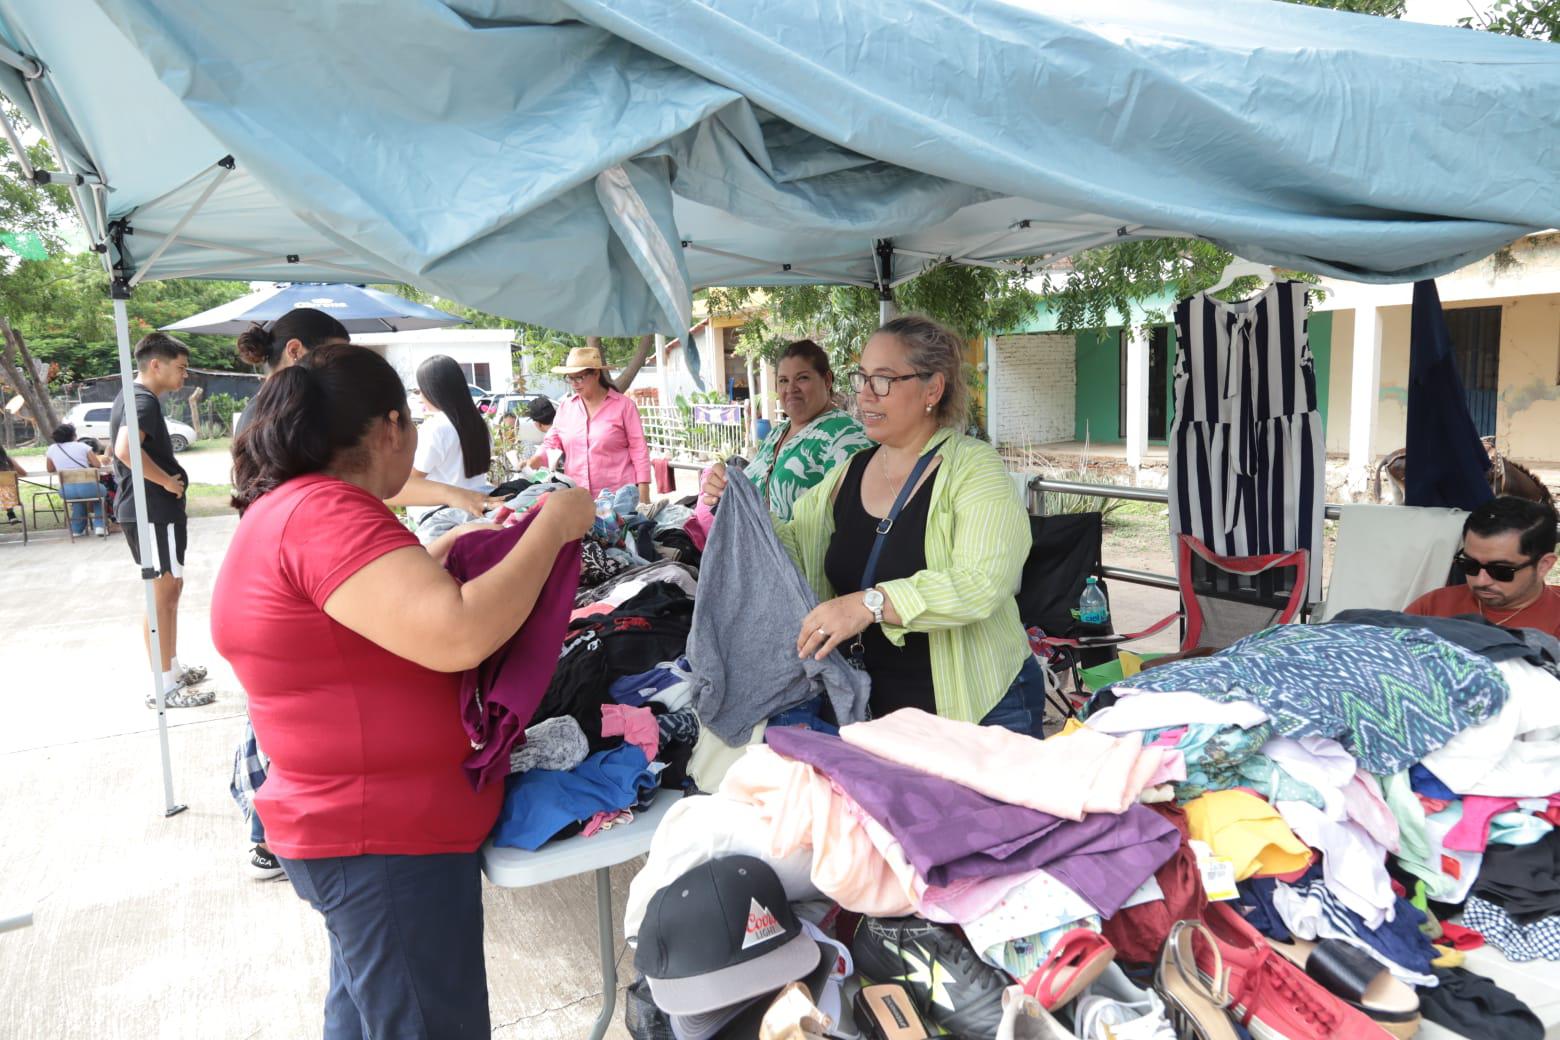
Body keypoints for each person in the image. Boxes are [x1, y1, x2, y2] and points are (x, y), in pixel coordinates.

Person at [212, 343, 593, 1038]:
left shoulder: (291, 507)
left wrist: (434, 558)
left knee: (363, 1018)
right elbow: (459, 633)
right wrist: (552, 527)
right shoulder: (327, 513)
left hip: (362, 836)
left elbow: (360, 622)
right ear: (389, 429)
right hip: (383, 844)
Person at [701, 315, 1043, 733]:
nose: (864, 395)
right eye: (861, 377)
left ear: (932, 388)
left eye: (883, 380)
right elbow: (790, 549)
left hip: (980, 708)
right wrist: (739, 506)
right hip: (877, 712)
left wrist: (870, 603)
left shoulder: (972, 468)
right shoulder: (850, 471)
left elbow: (982, 582)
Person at [235, 309, 500, 517]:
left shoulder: (289, 414)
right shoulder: (270, 419)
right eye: (332, 355)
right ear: (294, 351)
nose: (342, 370)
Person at [111, 332, 212, 708]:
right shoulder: (142, 400)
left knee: (170, 591)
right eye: (181, 368)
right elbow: (124, 450)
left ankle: (170, 667)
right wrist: (167, 480)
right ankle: (162, 685)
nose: (185, 376)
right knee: (161, 595)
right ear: (156, 364)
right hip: (151, 510)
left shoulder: (135, 396)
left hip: (155, 512)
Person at [741, 339, 872, 522]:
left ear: (827, 380)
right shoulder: (776, 434)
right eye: (783, 380)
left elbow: (853, 519)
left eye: (802, 378)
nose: (791, 389)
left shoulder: (847, 436)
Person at [1406, 495, 1560, 637]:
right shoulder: (1432, 607)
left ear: (1544, 566)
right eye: (1470, 565)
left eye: (1500, 571)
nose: (1481, 581)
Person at [527, 345, 651, 501]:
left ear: (596, 374)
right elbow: (552, 444)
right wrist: (535, 460)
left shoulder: (624, 406)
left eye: (579, 377)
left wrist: (644, 493)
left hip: (619, 495)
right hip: (578, 495)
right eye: (570, 378)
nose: (574, 384)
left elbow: (639, 449)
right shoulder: (566, 407)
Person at [407, 354, 492, 524]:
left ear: (433, 390)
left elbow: (410, 480)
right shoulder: (479, 423)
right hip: (476, 509)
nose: (421, 396)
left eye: (420, 390)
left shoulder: (435, 428)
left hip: (439, 516)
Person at [44, 423, 108, 536]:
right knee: (99, 496)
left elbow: (50, 469)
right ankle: (100, 526)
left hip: (66, 490)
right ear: (73, 435)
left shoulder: (52, 449)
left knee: (77, 500)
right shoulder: (82, 446)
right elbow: (97, 464)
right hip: (88, 487)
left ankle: (77, 530)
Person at [0, 441, 24, 524]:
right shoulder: (8, 460)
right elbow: (23, 473)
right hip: (11, 498)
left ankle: (11, 515)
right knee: (5, 489)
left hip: (4, 497)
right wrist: (12, 473)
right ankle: (11, 514)